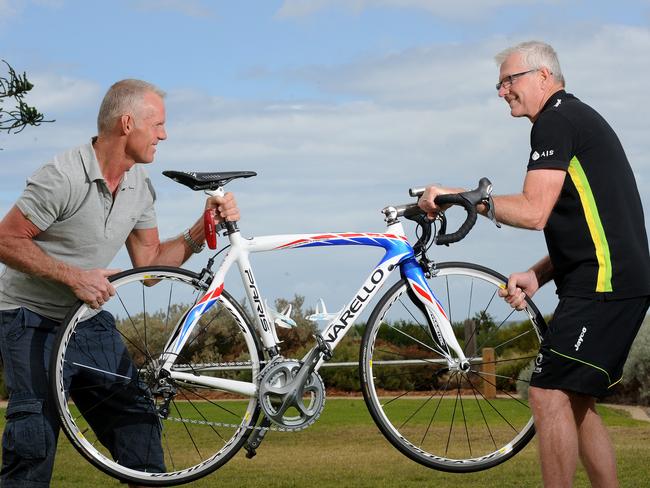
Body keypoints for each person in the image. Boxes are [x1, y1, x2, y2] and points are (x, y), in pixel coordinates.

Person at [418, 41, 650, 487]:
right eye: (499, 83)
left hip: (605, 284)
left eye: (510, 80)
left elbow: (533, 211)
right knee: (576, 403)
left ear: (544, 76)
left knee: (545, 392)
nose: (502, 91)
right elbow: (592, 224)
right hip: (609, 279)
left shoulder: (555, 121)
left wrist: (462, 197)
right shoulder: (573, 117)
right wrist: (538, 274)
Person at [0, 79, 239, 487]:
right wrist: (74, 276)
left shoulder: (139, 187)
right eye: (158, 124)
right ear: (127, 123)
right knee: (33, 441)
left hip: (88, 322)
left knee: (139, 427)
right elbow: (6, 240)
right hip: (28, 320)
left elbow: (149, 267)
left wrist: (202, 229)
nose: (164, 134)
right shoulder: (63, 176)